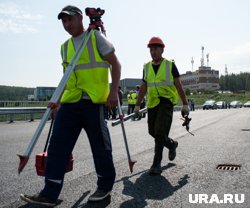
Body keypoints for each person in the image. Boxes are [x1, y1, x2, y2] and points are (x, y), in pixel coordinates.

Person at [20, 5, 121, 207]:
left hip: (93, 102)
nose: (67, 25)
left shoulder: (95, 38)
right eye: (64, 22)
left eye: (70, 20)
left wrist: (113, 91)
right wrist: (57, 101)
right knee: (57, 147)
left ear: (80, 18)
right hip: (70, 103)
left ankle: (104, 187)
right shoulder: (65, 47)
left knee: (100, 147)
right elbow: (67, 76)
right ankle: (50, 192)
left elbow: (116, 64)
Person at [134, 37, 189, 175]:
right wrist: (137, 105)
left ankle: (156, 164)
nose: (153, 52)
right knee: (152, 131)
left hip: (166, 102)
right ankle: (171, 144)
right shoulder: (146, 67)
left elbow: (178, 85)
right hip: (152, 103)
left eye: (155, 49)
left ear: (162, 49)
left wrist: (185, 104)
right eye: (151, 49)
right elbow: (144, 86)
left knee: (159, 132)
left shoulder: (170, 65)